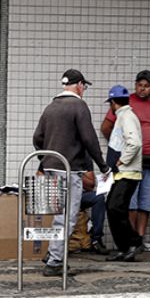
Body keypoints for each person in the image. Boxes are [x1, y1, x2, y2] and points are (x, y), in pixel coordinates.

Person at [32, 68, 110, 278]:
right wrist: (102, 165)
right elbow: (89, 139)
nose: (84, 90)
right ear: (79, 85)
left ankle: (51, 254)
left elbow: (37, 138)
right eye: (84, 86)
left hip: (49, 169)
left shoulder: (51, 107)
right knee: (67, 217)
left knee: (59, 215)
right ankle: (55, 261)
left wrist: (44, 159)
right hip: (69, 170)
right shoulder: (79, 106)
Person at [100, 70, 150, 250]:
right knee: (125, 205)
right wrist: (120, 155)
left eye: (147, 86)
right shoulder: (126, 108)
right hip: (129, 166)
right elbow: (108, 129)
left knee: (145, 202)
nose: (142, 89)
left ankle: (136, 240)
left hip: (149, 162)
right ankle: (130, 242)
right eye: (140, 84)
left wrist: (124, 157)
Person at [103, 85, 144, 261]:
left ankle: (134, 242)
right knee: (113, 208)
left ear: (113, 102)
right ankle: (125, 248)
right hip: (122, 173)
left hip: (128, 172)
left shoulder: (127, 117)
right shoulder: (124, 116)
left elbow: (134, 143)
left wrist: (121, 161)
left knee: (115, 207)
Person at [68, 170, 107, 255]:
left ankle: (96, 239)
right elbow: (40, 174)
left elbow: (90, 186)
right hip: (60, 195)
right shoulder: (54, 158)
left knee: (99, 197)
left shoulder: (84, 159)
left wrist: (75, 174)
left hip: (79, 195)